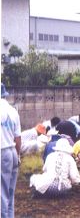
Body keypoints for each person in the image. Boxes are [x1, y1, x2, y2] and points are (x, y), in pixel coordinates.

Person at [1, 83, 21, 218]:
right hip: (13, 151)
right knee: (10, 192)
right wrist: (18, 156)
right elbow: (18, 138)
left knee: (1, 193)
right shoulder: (13, 111)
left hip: (1, 152)